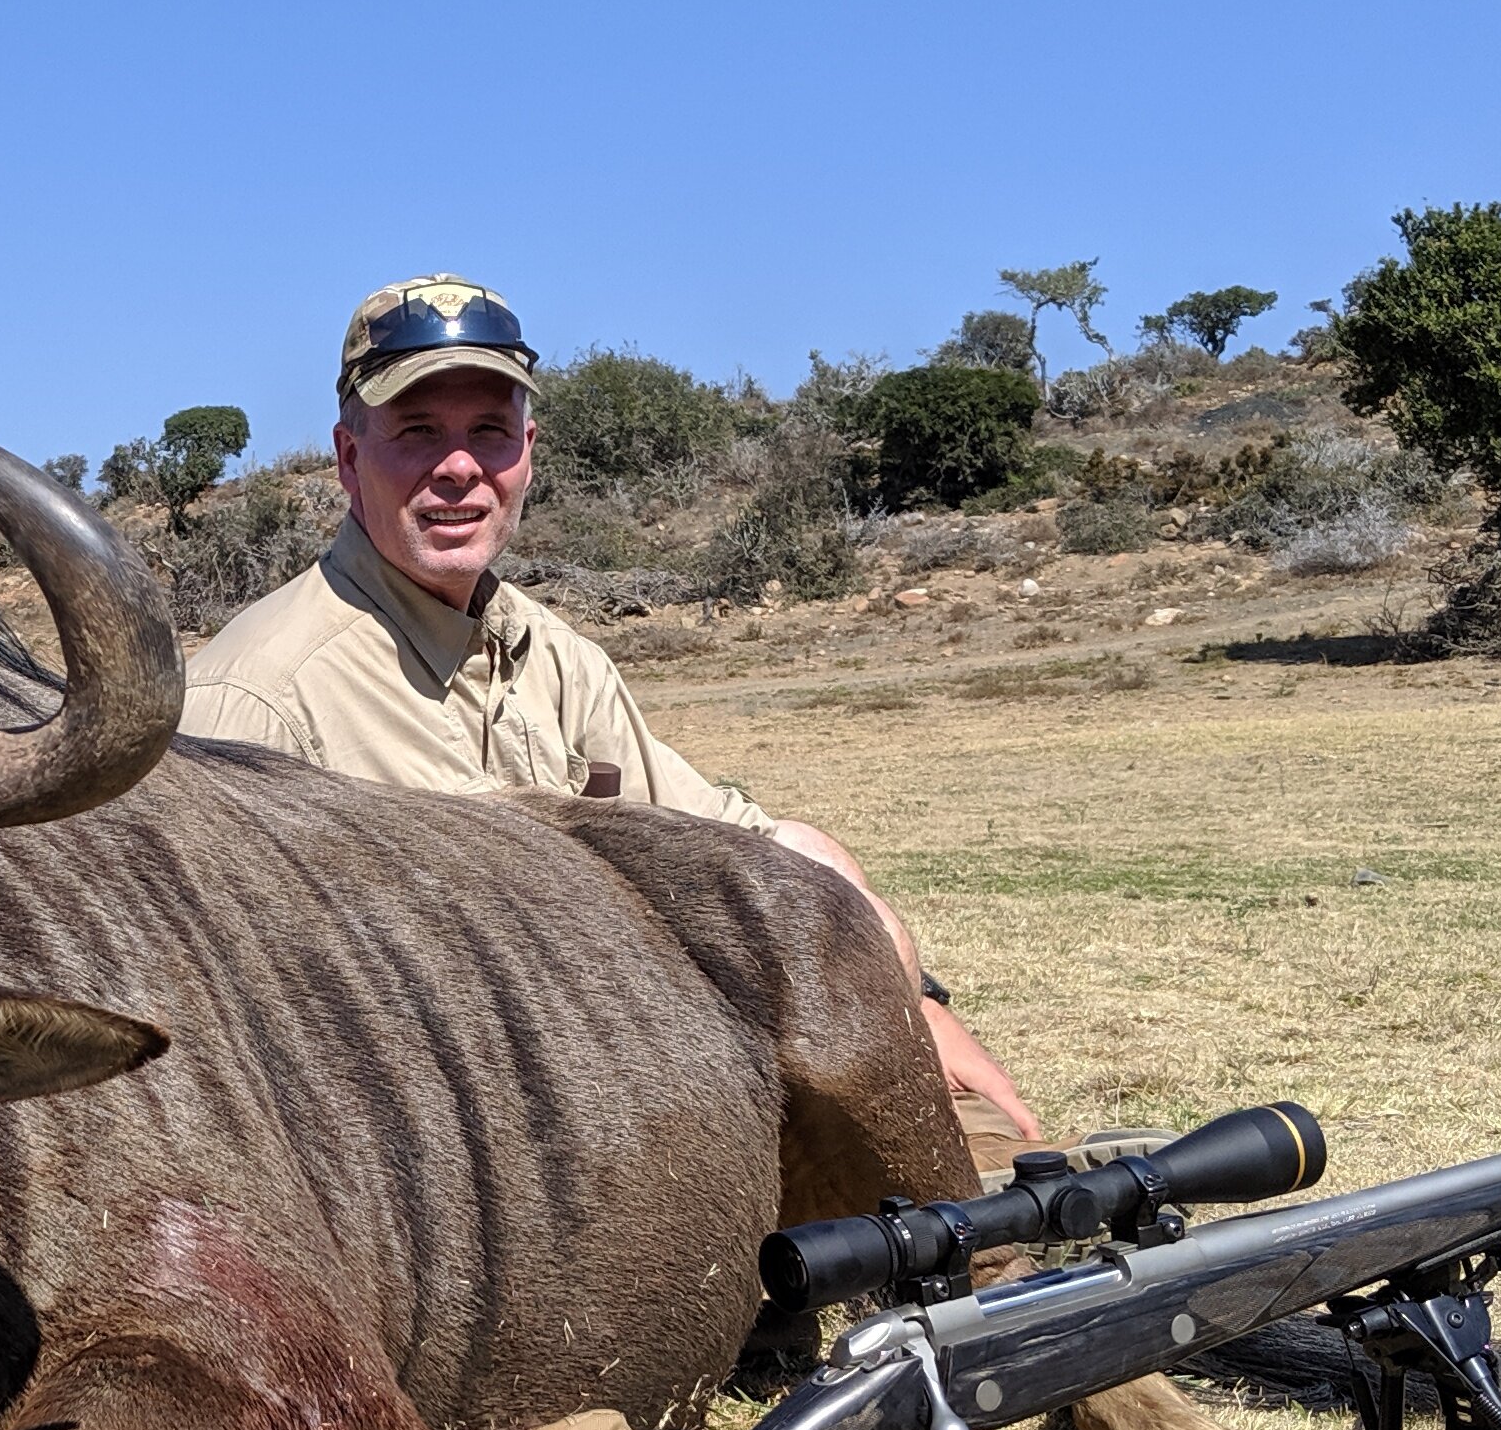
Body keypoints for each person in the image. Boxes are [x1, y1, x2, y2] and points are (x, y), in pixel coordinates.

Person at [180, 273, 1043, 1145]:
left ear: (529, 451)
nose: (459, 467)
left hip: (636, 1103)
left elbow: (741, 842)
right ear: (347, 457)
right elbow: (220, 1044)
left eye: (490, 430)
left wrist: (916, 1007)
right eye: (416, 431)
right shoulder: (255, 699)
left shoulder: (552, 655)